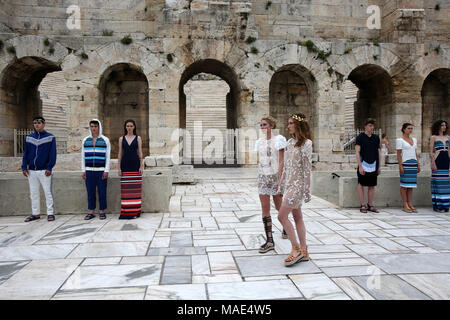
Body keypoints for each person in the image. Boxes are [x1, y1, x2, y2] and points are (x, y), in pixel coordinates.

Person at [277, 113, 312, 267]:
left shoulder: (307, 144)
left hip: (298, 186)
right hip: (289, 185)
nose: (288, 126)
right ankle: (304, 250)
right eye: (288, 123)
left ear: (298, 125)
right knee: (298, 217)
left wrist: (307, 189)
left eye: (291, 123)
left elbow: (307, 168)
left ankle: (296, 249)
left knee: (281, 216)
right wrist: (281, 183)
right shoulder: (289, 143)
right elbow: (285, 167)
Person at [254, 117, 287, 253]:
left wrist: (280, 179)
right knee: (264, 209)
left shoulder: (279, 139)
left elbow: (281, 160)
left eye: (265, 124)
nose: (262, 127)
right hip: (263, 177)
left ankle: (286, 227)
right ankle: (269, 240)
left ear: (272, 126)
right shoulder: (259, 142)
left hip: (275, 177)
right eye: (261, 125)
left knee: (279, 206)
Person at [22, 116, 57, 222]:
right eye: (35, 123)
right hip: (31, 170)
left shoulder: (50, 137)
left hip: (44, 170)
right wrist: (24, 167)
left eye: (39, 123)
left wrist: (49, 167)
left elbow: (53, 154)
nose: (37, 125)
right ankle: (35, 213)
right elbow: (26, 153)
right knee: (33, 193)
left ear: (44, 124)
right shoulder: (29, 138)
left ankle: (50, 213)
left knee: (48, 192)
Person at [81, 119, 111, 220]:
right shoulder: (85, 140)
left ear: (99, 127)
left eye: (95, 126)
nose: (93, 128)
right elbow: (83, 156)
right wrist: (83, 170)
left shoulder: (105, 140)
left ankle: (102, 211)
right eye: (92, 126)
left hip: (101, 170)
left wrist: (106, 170)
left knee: (102, 191)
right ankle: (91, 212)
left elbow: (108, 156)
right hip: (89, 170)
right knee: (90, 191)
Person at [118, 119, 144, 219]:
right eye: (127, 126)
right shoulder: (121, 139)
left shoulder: (138, 138)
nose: (129, 128)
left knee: (135, 189)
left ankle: (136, 211)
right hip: (125, 165)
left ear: (134, 127)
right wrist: (119, 168)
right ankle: (126, 211)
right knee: (126, 189)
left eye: (131, 126)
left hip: (135, 164)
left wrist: (141, 166)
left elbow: (140, 153)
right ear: (125, 127)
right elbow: (120, 153)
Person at [355, 118, 381, 213]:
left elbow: (378, 152)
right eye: (370, 125)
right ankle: (362, 205)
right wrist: (360, 166)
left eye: (373, 126)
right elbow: (357, 152)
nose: (372, 127)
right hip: (363, 164)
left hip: (374, 164)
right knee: (361, 184)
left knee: (372, 185)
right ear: (365, 126)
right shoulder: (360, 137)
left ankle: (370, 205)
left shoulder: (376, 138)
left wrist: (379, 166)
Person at [396, 123, 420, 213]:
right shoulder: (400, 140)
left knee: (411, 185)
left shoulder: (414, 139)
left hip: (413, 164)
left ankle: (410, 203)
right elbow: (398, 154)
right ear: (404, 129)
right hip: (405, 164)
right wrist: (400, 165)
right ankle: (405, 204)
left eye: (411, 128)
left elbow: (415, 152)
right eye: (409, 128)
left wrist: (418, 164)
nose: (410, 130)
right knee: (404, 185)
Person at [430, 120, 450, 213]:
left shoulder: (448, 137)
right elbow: (431, 152)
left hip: (446, 160)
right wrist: (433, 163)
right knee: (437, 182)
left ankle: (445, 205)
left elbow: (449, 151)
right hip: (437, 159)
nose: (444, 127)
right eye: (442, 125)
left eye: (445, 125)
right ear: (438, 126)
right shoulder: (433, 137)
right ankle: (438, 205)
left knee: (445, 183)